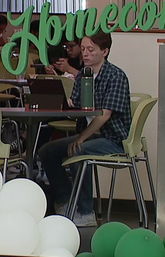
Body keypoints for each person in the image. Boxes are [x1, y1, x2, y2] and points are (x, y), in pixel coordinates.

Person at [38, 32, 131, 228]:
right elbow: (78, 107)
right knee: (47, 151)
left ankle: (86, 211)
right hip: (89, 135)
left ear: (105, 52)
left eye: (91, 49)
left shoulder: (115, 76)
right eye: (83, 49)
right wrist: (67, 104)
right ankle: (65, 200)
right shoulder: (83, 74)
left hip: (113, 138)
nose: (85, 54)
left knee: (77, 149)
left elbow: (104, 115)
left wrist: (80, 138)